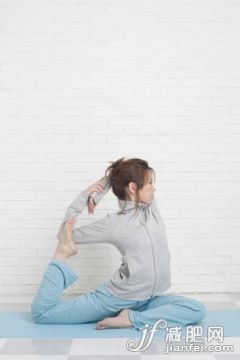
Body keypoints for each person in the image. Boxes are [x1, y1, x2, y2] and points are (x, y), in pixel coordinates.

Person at [31, 157, 206, 331]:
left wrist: (111, 179)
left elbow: (121, 175)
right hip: (115, 298)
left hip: (148, 300)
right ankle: (132, 316)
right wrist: (87, 196)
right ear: (132, 187)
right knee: (43, 314)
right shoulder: (113, 223)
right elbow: (64, 235)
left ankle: (130, 318)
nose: (155, 188)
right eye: (150, 183)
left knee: (196, 309)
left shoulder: (151, 209)